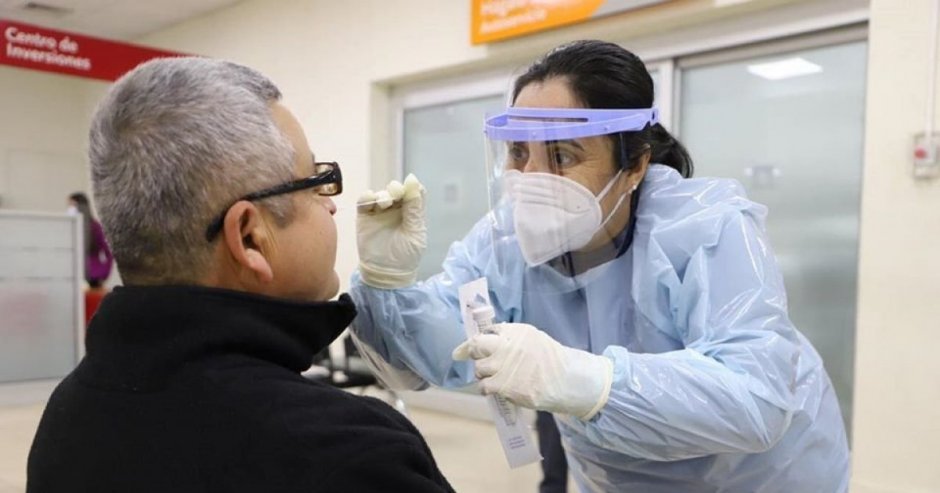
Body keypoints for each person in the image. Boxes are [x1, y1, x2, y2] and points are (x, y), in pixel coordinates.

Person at [349, 40, 849, 492]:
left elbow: (754, 400)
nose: (532, 177)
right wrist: (388, 287)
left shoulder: (708, 229)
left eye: (563, 156)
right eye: (519, 153)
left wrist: (582, 379)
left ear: (635, 164)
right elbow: (447, 350)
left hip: (764, 480)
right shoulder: (504, 240)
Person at [27, 57, 454, 493]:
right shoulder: (349, 453)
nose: (331, 204)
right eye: (315, 181)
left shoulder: (66, 416)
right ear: (249, 238)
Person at [66, 191, 113, 288]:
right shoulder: (67, 228)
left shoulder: (94, 227)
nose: (70, 209)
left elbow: (108, 252)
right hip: (72, 276)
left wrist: (104, 273)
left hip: (93, 278)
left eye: (73, 205)